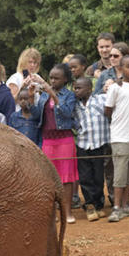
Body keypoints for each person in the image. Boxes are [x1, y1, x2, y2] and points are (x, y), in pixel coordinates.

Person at [29, 64, 78, 223]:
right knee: (50, 177)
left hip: (64, 138)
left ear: (65, 79)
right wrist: (31, 97)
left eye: (56, 78)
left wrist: (53, 95)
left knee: (67, 178)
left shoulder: (69, 95)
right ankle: (53, 214)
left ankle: (67, 212)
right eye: (51, 78)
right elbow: (35, 116)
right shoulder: (43, 96)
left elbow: (66, 112)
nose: (52, 81)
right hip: (48, 139)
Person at [104, 55, 129, 222]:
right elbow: (107, 110)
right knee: (119, 174)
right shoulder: (115, 87)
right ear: (121, 68)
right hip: (120, 136)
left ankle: (126, 205)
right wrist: (117, 121)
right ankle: (116, 207)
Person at [73, 77, 110, 221]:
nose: (76, 91)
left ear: (89, 89)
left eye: (79, 88)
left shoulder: (100, 100)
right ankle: (89, 205)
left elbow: (113, 98)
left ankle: (99, 204)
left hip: (99, 144)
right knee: (85, 176)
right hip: (82, 144)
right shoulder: (74, 104)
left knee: (98, 176)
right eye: (75, 88)